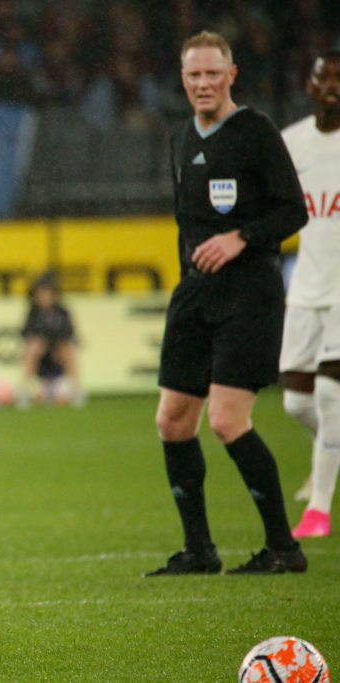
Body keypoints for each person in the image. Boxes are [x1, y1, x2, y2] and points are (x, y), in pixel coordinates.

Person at [145, 31, 309, 577]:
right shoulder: (178, 138)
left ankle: (283, 548)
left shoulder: (257, 133)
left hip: (250, 293)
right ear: (183, 78)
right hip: (195, 292)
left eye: (213, 73)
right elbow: (185, 222)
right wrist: (187, 277)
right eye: (194, 75)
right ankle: (199, 551)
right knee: (171, 420)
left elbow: (293, 212)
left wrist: (241, 237)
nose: (203, 84)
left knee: (225, 419)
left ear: (231, 75)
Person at [279, 50, 340, 539]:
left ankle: (318, 510)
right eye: (325, 77)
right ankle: (332, 451)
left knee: (328, 394)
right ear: (310, 85)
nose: (333, 86)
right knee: (296, 405)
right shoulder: (292, 143)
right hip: (305, 286)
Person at [16, 273, 84, 407]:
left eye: (47, 292)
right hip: (40, 359)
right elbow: (26, 334)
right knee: (33, 347)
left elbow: (69, 334)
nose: (43, 296)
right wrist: (42, 342)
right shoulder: (33, 313)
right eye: (40, 292)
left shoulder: (62, 312)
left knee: (67, 348)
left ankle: (77, 390)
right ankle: (23, 391)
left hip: (57, 357)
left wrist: (54, 343)